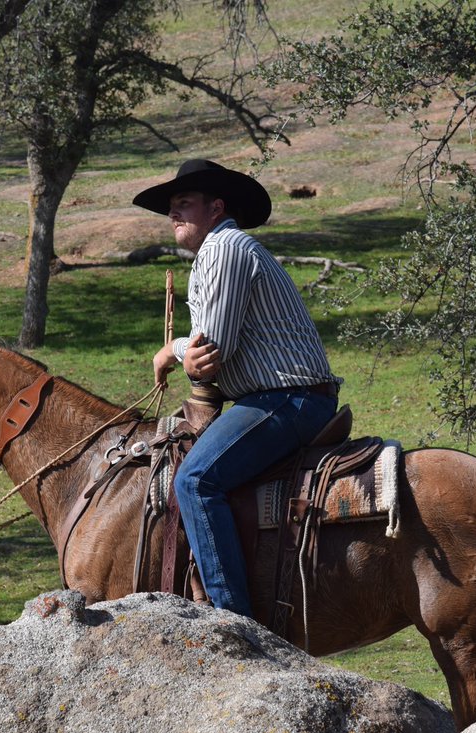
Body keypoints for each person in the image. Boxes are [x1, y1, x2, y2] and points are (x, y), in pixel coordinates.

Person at [133, 158, 341, 617]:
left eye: (184, 204)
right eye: (171, 207)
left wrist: (171, 351)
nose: (174, 214)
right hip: (280, 397)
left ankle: (233, 620)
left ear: (216, 207)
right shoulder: (221, 252)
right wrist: (185, 353)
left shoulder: (224, 247)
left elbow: (211, 352)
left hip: (288, 398)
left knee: (195, 480)